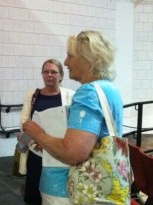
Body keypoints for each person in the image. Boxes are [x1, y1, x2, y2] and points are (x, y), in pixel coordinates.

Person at [22, 30, 123, 205]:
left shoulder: (88, 92)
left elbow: (73, 152)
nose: (66, 62)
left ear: (88, 59)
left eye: (70, 56)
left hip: (71, 189)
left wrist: (37, 133)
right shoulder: (109, 89)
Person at [18, 59, 74, 205]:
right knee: (34, 190)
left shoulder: (70, 95)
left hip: (57, 151)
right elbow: (25, 122)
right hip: (36, 151)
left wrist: (49, 142)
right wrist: (35, 142)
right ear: (42, 74)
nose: (50, 75)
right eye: (46, 72)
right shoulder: (33, 95)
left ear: (61, 75)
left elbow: (71, 125)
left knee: (56, 194)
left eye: (54, 72)